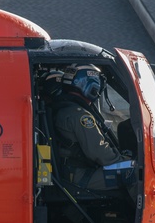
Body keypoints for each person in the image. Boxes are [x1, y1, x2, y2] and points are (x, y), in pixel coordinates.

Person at [53, 64, 130, 193]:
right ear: (92, 87)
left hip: (68, 172)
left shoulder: (63, 109)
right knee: (134, 172)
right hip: (81, 176)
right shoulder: (81, 116)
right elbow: (100, 153)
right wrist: (123, 160)